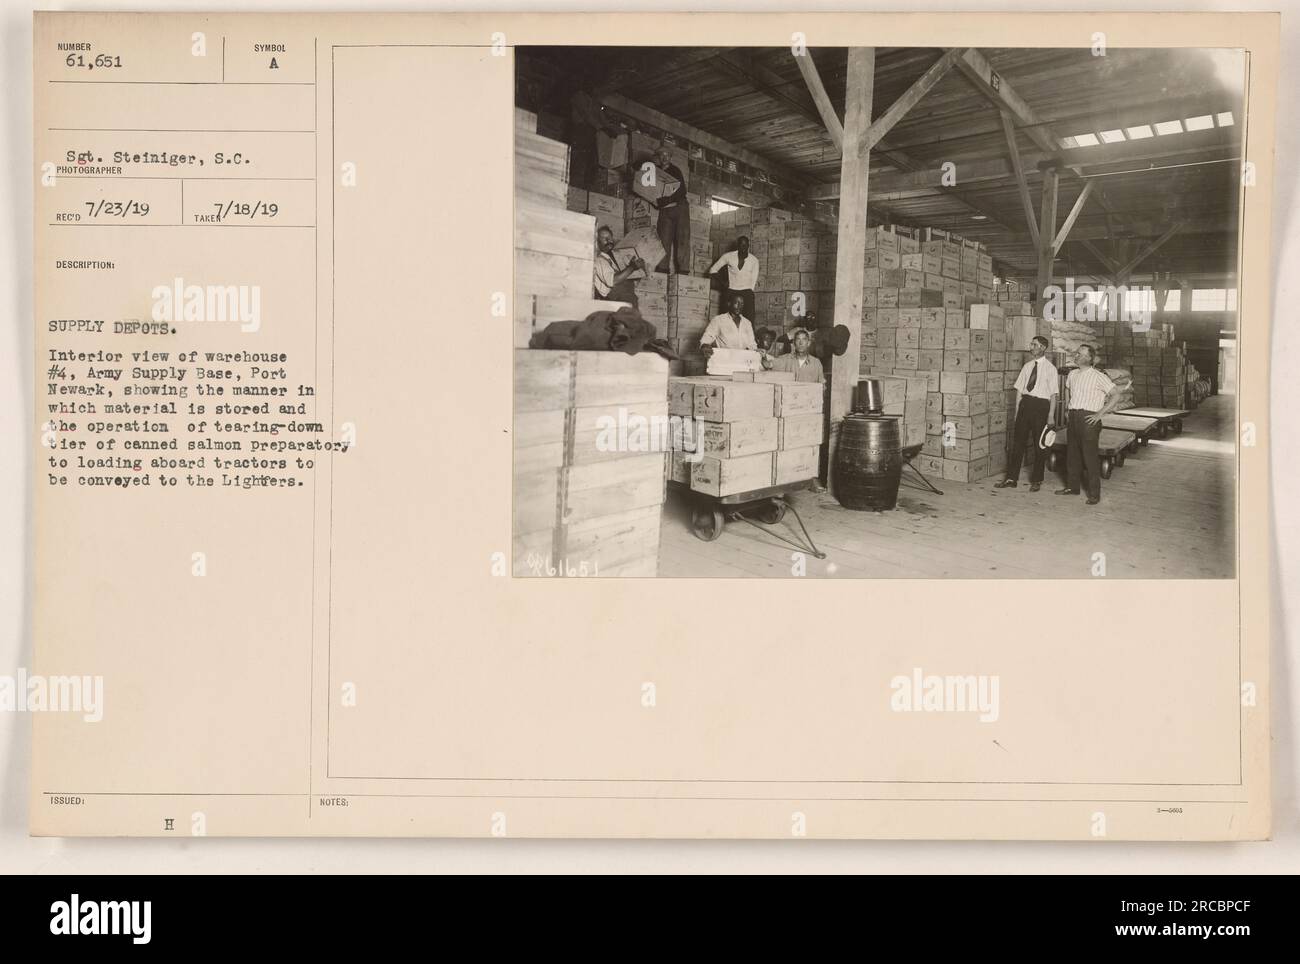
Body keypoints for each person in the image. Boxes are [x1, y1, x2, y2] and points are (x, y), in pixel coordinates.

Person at [1056, 344, 1122, 505]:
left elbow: (1116, 395)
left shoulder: (1098, 376)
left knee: (1089, 457)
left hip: (1089, 418)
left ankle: (1094, 494)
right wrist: (1067, 408)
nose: (1076, 355)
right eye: (1077, 353)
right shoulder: (1072, 374)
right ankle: (1073, 488)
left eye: (1080, 354)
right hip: (1073, 416)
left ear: (1089, 358)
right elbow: (1067, 390)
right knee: (1072, 454)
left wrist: (1100, 414)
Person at [995, 336, 1058, 492]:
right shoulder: (1027, 366)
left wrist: (1051, 415)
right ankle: (1011, 478)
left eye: (1034, 344)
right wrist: (1017, 412)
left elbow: (1053, 395)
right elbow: (1019, 390)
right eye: (1031, 344)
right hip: (1025, 405)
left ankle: (1037, 480)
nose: (1031, 347)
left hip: (1041, 407)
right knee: (1017, 445)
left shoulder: (1051, 369)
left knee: (1040, 445)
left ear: (1043, 348)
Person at [650, 145, 691, 274]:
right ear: (658, 157)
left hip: (680, 207)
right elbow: (651, 192)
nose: (664, 157)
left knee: (682, 239)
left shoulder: (675, 170)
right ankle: (662, 270)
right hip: (665, 211)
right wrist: (655, 201)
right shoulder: (655, 172)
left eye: (667, 155)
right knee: (663, 240)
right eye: (661, 155)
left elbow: (682, 190)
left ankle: (683, 272)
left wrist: (667, 199)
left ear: (670, 157)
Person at [709, 236, 759, 321]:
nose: (743, 247)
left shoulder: (754, 260)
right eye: (741, 245)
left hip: (746, 291)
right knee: (725, 318)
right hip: (731, 290)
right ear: (737, 246)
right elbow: (712, 270)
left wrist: (748, 293)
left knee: (749, 320)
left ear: (748, 246)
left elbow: (753, 283)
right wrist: (723, 282)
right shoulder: (728, 256)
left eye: (745, 245)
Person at [592, 225, 644, 307]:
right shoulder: (599, 260)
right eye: (603, 238)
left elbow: (632, 282)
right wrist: (632, 267)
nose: (608, 240)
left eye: (609, 237)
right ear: (598, 242)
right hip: (615, 304)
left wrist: (639, 270)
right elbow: (612, 281)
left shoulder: (616, 260)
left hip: (629, 303)